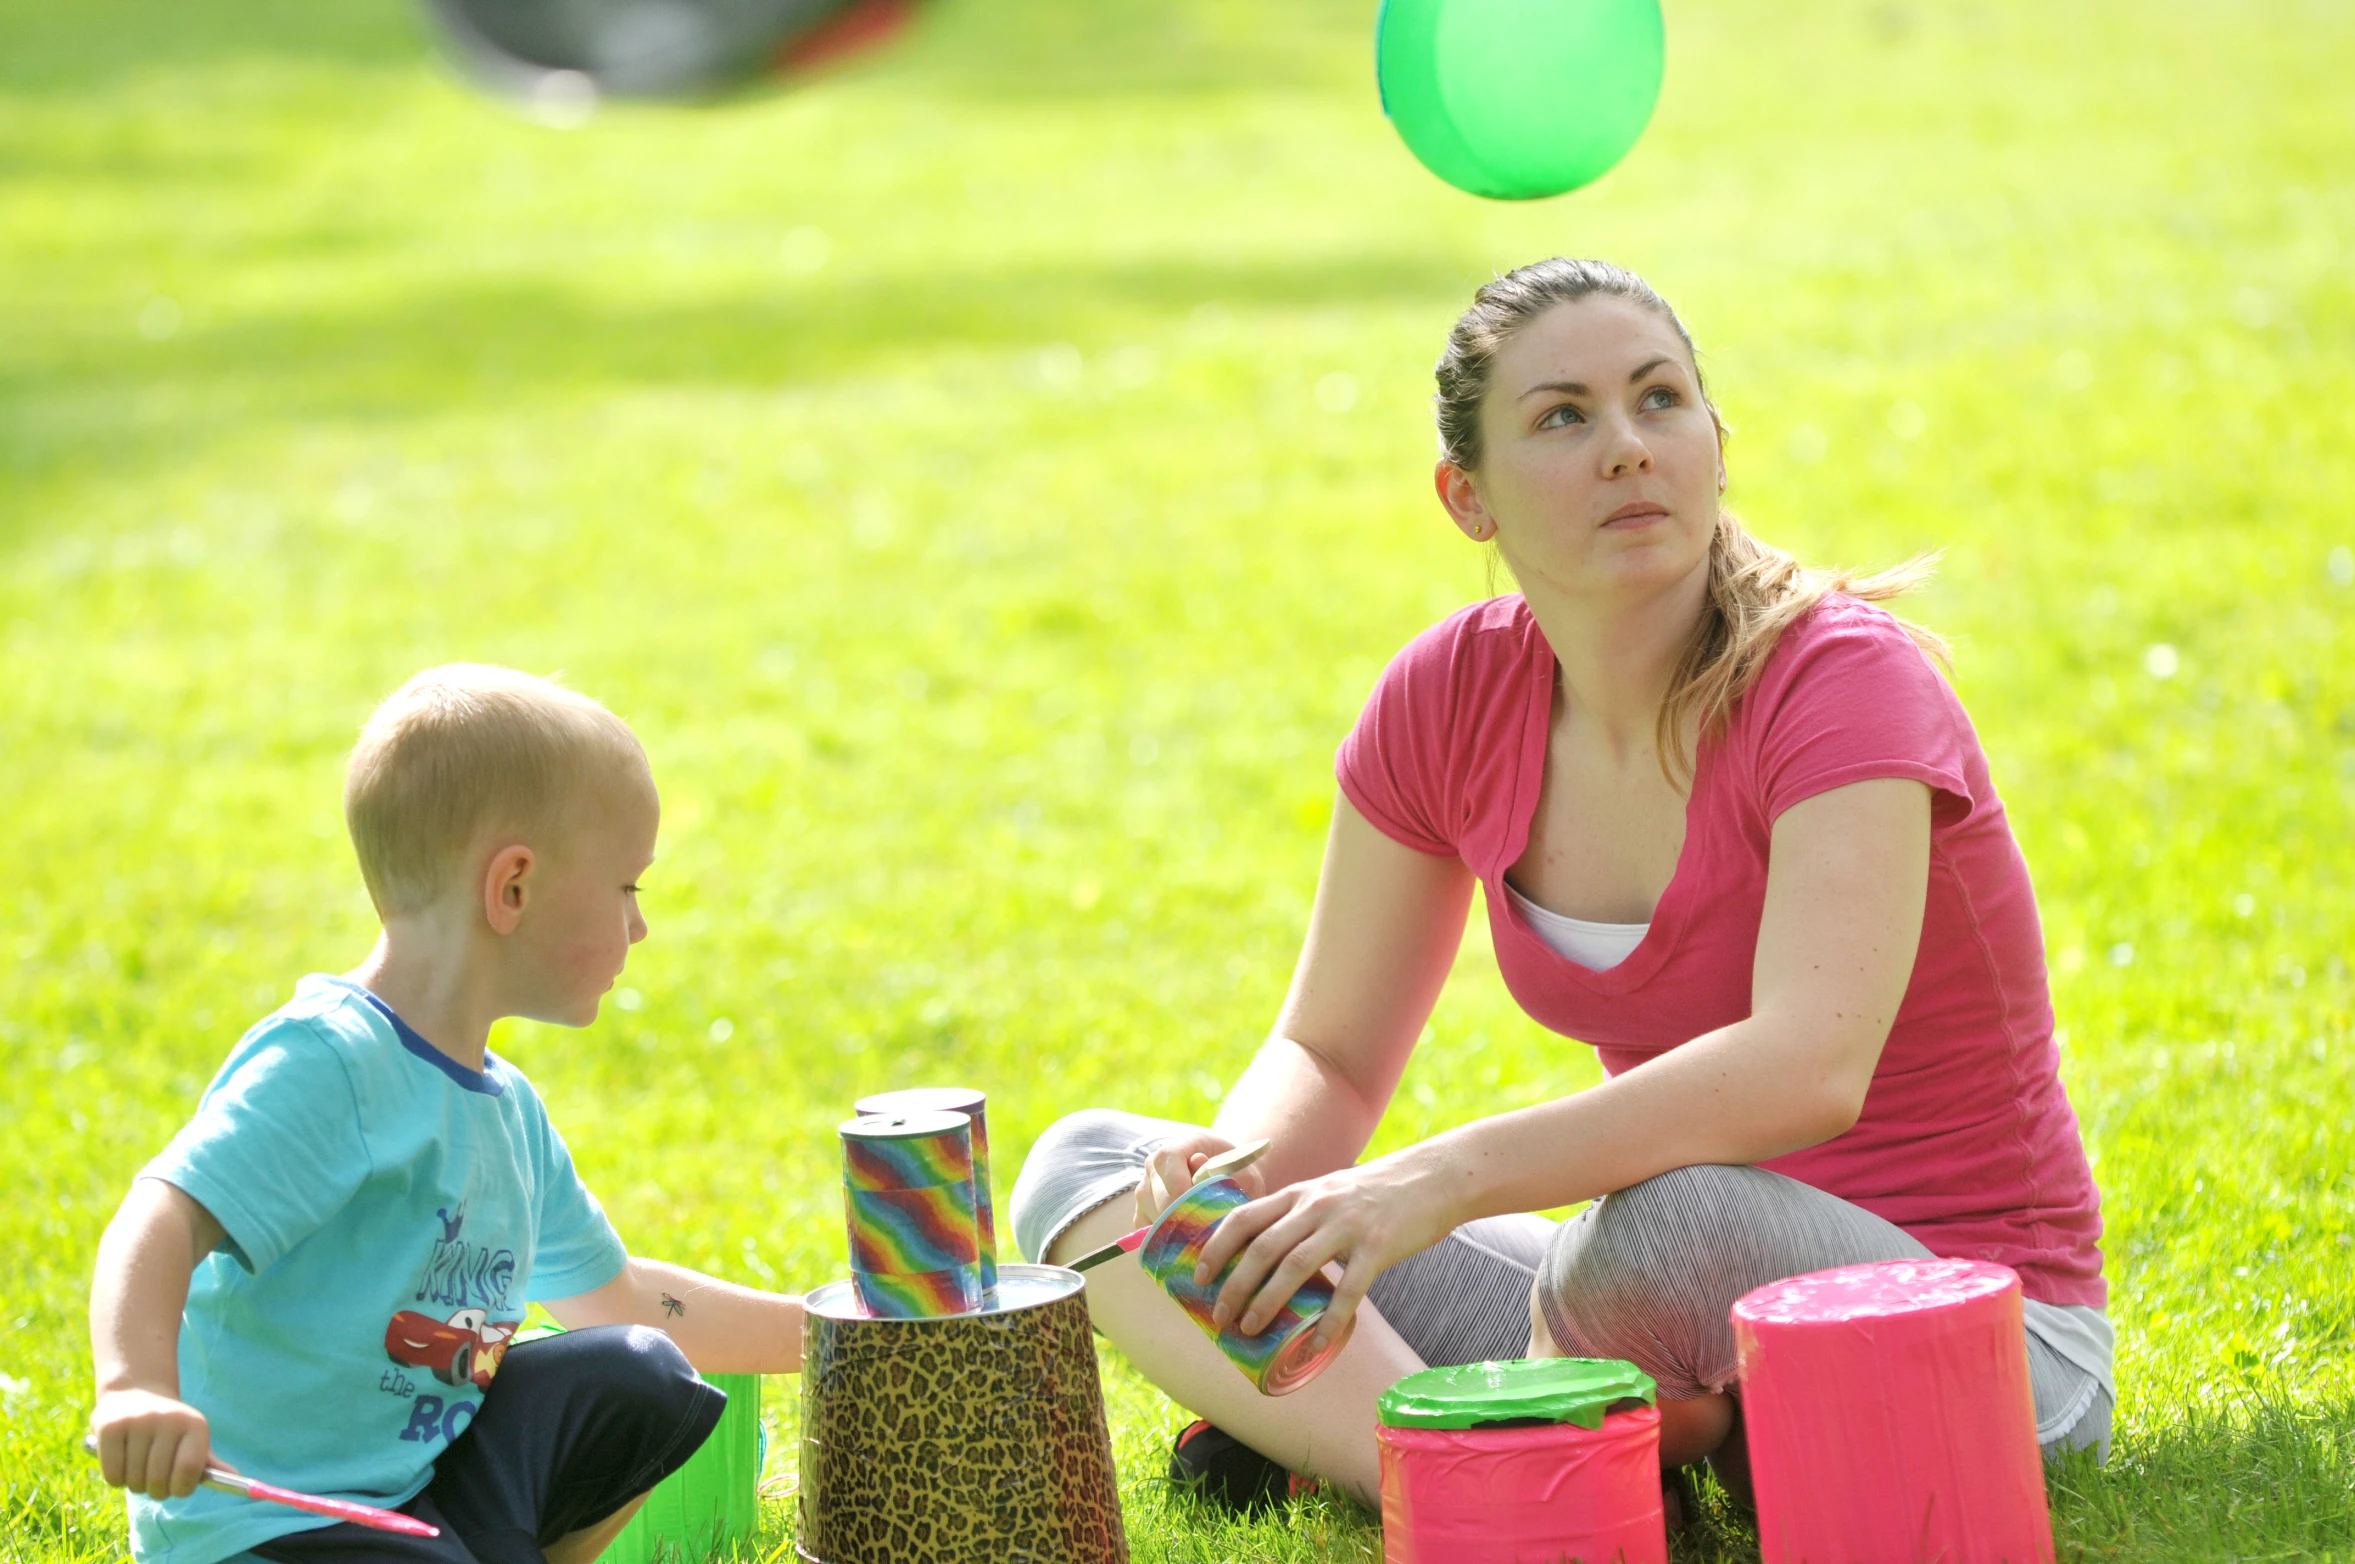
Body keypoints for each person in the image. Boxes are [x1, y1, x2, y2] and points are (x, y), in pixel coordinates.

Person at [1010, 258, 2112, 1512]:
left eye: (1661, 400)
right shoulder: (1445, 703)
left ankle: (1484, 1443)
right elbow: (1332, 1049)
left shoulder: (1840, 682)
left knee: (1665, 1221)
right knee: (1083, 1168)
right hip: (1635, 1300)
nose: (1630, 447)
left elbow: (1810, 1065)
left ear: (1713, 439)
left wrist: (1433, 1181)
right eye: (1564, 417)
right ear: (1466, 497)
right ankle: (1458, 1474)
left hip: (1976, 1334)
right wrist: (1235, 1189)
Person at [87, 666, 805, 1564]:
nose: (639, 926)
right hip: (271, 1521)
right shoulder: (331, 1063)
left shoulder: (505, 1110)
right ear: (512, 887)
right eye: (629, 888)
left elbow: (619, 1303)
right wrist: (135, 1389)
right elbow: (160, 1216)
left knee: (640, 1376)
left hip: (417, 1491)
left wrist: (834, 1336)